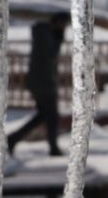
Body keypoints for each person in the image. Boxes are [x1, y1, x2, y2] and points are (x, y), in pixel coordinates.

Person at [7, 12, 71, 157]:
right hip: (43, 82)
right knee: (52, 116)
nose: (65, 28)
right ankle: (53, 148)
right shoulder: (45, 35)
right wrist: (59, 37)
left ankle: (13, 139)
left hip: (42, 81)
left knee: (44, 115)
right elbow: (49, 57)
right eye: (64, 24)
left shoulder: (46, 34)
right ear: (58, 22)